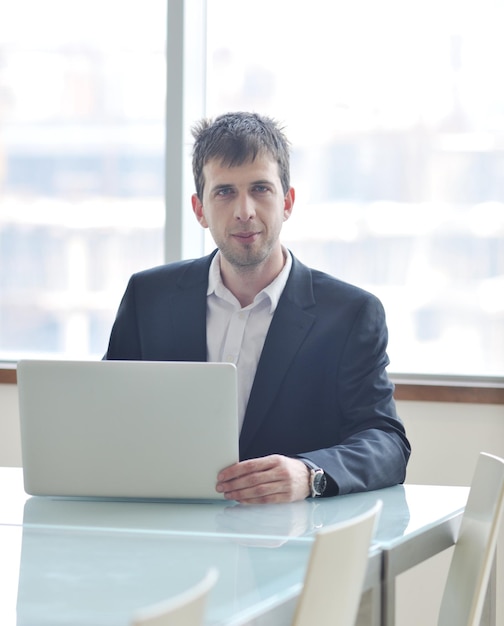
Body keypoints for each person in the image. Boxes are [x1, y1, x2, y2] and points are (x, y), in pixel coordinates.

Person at [105, 111, 411, 504]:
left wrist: (309, 473)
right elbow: (111, 417)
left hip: (293, 544)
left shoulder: (350, 314)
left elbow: (386, 443)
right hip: (167, 530)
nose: (244, 211)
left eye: (260, 189)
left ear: (287, 202)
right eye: (225, 192)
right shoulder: (148, 298)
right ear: (199, 209)